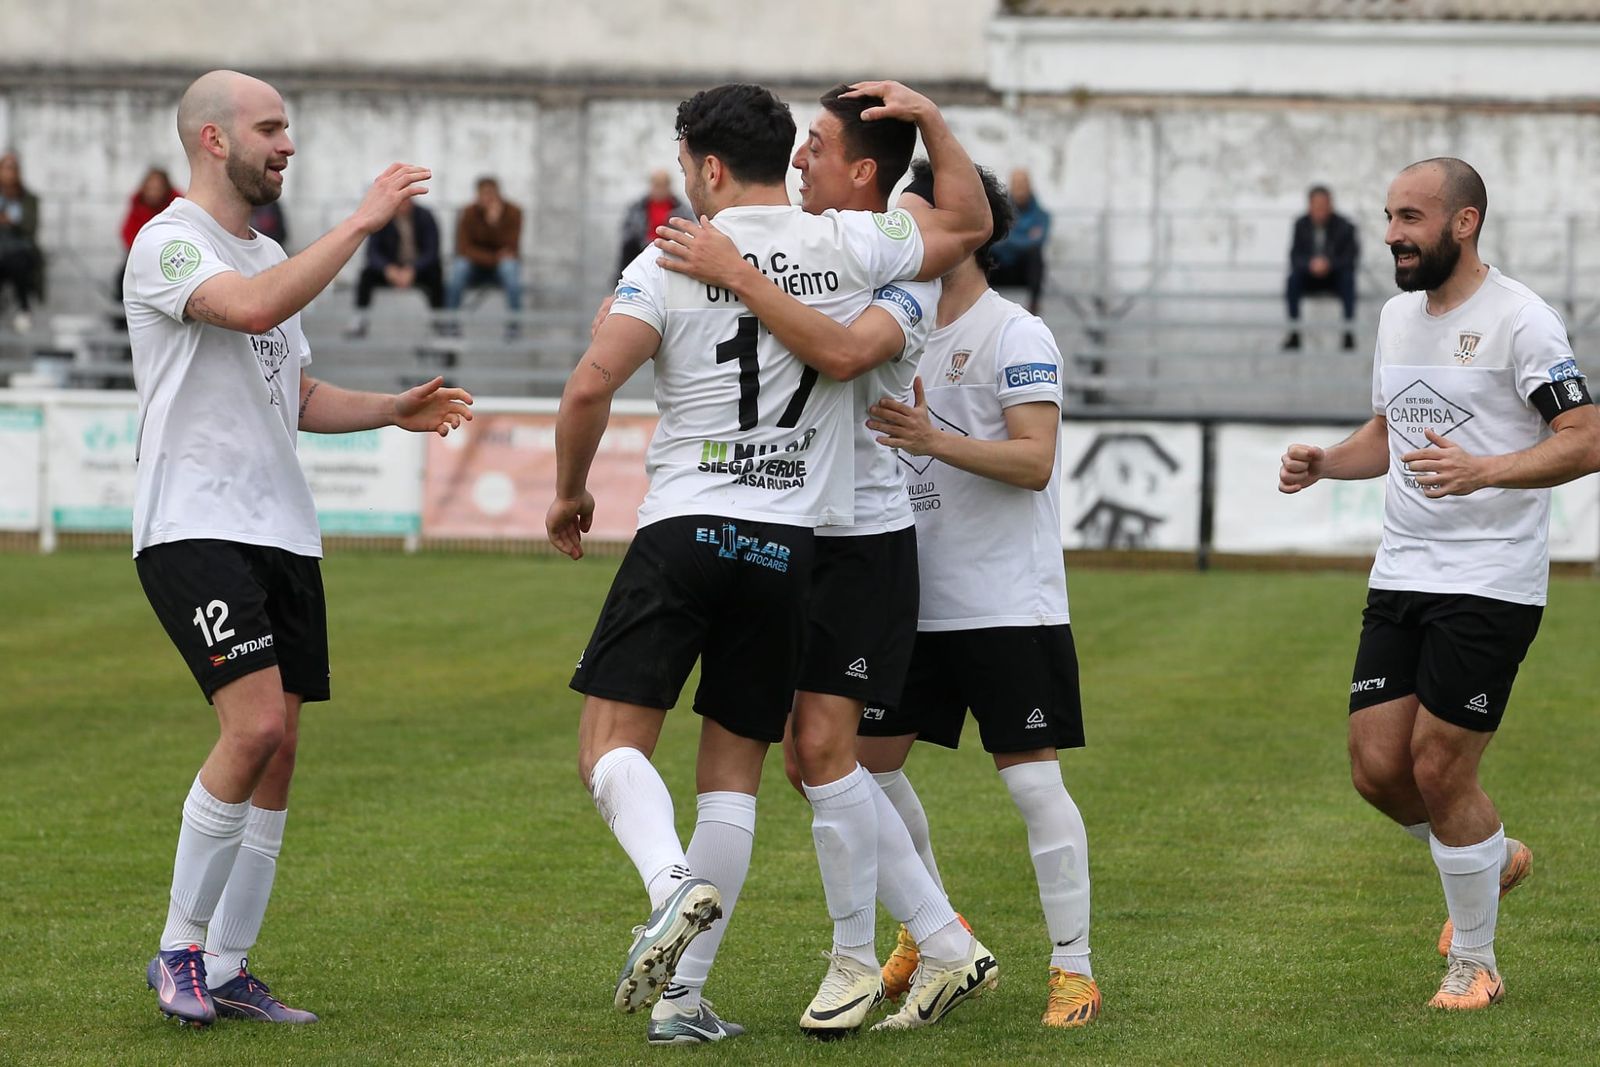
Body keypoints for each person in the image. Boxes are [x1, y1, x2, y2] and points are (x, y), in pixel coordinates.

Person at [547, 80, 989, 1046]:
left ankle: (674, 891)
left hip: (695, 525)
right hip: (788, 543)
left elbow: (589, 385)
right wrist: (933, 121)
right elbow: (966, 224)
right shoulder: (850, 245)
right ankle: (686, 998)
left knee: (611, 746)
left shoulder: (671, 254)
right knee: (738, 774)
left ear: (707, 166)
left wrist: (570, 491)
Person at [124, 70, 472, 1029]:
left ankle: (231, 965)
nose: (287, 144)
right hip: (196, 521)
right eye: (270, 129)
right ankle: (179, 948)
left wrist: (392, 412)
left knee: (280, 754)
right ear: (211, 138)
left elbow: (299, 393)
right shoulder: (169, 243)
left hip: (280, 525)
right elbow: (248, 310)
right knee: (254, 731)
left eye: (288, 129)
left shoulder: (267, 248)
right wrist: (361, 224)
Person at [1278, 158, 1600, 1011]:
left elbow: (1585, 437)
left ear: (1464, 223)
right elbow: (1390, 430)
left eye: (1411, 217)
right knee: (1378, 769)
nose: (1392, 234)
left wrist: (1486, 468)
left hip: (1491, 582)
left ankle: (1477, 964)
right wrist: (1326, 462)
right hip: (1403, 572)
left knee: (1439, 764)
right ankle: (1491, 856)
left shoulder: (1523, 321)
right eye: (1388, 216)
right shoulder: (1394, 317)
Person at [848, 158, 1099, 1030]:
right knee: (852, 774)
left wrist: (930, 435)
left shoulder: (1015, 333)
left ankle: (1074, 969)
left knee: (1032, 787)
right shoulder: (891, 331)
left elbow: (1033, 463)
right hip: (907, 604)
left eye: (913, 216)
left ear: (967, 227)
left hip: (1005, 602)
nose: (900, 236)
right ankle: (934, 924)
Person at [347, 197, 443, 337]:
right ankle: (360, 320)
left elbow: (432, 251)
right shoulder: (383, 218)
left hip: (418, 269)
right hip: (392, 268)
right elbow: (372, 252)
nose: (403, 203)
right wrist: (387, 269)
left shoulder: (425, 216)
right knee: (366, 275)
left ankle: (438, 320)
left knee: (436, 274)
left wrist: (413, 269)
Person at [1284, 185, 1359, 351]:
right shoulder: (1301, 224)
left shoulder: (1345, 225)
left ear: (1331, 204)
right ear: (1309, 205)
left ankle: (1348, 333)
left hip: (1335, 276)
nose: (1321, 210)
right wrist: (1311, 264)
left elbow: (1350, 257)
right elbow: (1295, 256)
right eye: (1317, 205)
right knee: (1292, 280)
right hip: (1309, 275)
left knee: (1348, 279)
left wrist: (1328, 264)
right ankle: (1294, 333)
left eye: (1324, 205)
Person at [445, 176, 523, 327]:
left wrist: (495, 224)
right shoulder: (469, 212)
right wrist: (494, 257)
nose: (488, 199)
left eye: (491, 194)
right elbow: (463, 248)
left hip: (500, 267)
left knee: (510, 269)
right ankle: (451, 326)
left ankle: (514, 328)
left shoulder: (514, 212)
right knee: (459, 268)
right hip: (476, 266)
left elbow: (511, 247)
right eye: (484, 194)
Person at [114, 167, 183, 326]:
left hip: (167, 258)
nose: (153, 192)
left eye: (157, 188)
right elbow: (127, 231)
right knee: (121, 279)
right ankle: (122, 325)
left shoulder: (176, 205)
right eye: (150, 188)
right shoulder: (137, 204)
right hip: (139, 258)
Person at [987, 167, 1049, 315]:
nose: (1020, 189)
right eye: (1016, 184)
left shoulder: (1043, 216)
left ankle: (1034, 306)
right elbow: (995, 241)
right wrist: (1025, 237)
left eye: (1023, 184)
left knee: (1035, 255)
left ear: (1029, 186)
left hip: (1023, 271)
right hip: (999, 267)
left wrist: (1009, 237)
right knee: (984, 253)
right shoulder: (998, 213)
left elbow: (1037, 242)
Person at [617, 169, 689, 277]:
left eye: (663, 185)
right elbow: (627, 233)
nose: (660, 189)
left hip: (667, 251)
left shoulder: (680, 209)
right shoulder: (637, 208)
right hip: (641, 251)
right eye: (657, 185)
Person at [0, 151, 43, 332]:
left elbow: (31, 227)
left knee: (17, 262)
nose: (9, 172)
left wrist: (11, 221)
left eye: (12, 167)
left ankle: (23, 308)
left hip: (20, 252)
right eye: (5, 167)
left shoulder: (28, 198)